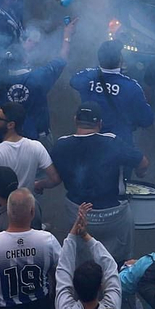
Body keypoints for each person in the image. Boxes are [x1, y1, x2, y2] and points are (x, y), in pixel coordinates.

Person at [50, 102, 148, 260]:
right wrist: (140, 172)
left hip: (78, 215)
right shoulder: (113, 142)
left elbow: (54, 178)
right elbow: (143, 163)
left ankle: (82, 280)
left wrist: (38, 185)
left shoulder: (61, 144)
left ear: (75, 120)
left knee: (79, 259)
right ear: (100, 124)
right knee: (120, 260)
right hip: (113, 215)